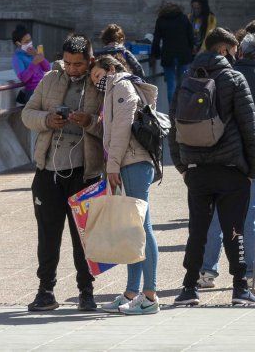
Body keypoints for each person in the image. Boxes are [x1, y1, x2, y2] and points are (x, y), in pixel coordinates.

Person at [169, 27, 255, 307]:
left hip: (196, 169)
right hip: (231, 167)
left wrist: (182, 165)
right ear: (222, 50)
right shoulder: (234, 79)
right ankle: (240, 289)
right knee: (234, 228)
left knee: (197, 228)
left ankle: (189, 288)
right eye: (232, 52)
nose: (234, 58)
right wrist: (253, 169)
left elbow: (173, 125)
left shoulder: (187, 78)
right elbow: (250, 127)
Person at [19, 34, 104, 312]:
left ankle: (86, 291)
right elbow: (27, 114)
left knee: (84, 236)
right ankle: (45, 290)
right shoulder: (50, 80)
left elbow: (112, 126)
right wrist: (47, 120)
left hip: (84, 172)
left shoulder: (100, 84)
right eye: (67, 63)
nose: (72, 69)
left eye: (78, 64)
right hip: (48, 171)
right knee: (48, 234)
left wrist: (89, 122)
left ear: (89, 60)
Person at [198, 34, 255, 289]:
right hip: (253, 155)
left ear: (241, 53)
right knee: (250, 216)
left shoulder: (226, 78)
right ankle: (252, 270)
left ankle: (207, 270)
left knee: (216, 216)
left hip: (223, 155)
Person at [91, 56, 160, 315]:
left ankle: (150, 296)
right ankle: (132, 293)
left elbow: (121, 128)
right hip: (131, 162)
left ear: (110, 69)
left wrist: (112, 165)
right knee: (134, 229)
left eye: (98, 76)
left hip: (132, 162)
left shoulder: (120, 86)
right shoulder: (121, 85)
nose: (97, 82)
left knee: (142, 228)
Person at [151, 1, 195, 107]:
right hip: (184, 56)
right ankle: (184, 110)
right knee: (184, 84)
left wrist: (155, 55)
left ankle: (172, 112)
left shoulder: (161, 20)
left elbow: (156, 40)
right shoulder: (183, 18)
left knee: (171, 85)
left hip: (168, 56)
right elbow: (191, 37)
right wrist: (191, 51)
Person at [12, 25, 49, 104]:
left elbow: (47, 68)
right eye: (26, 42)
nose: (29, 43)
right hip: (32, 92)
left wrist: (37, 55)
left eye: (30, 40)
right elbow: (23, 78)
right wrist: (34, 64)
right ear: (18, 43)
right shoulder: (17, 58)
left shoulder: (33, 52)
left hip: (43, 88)